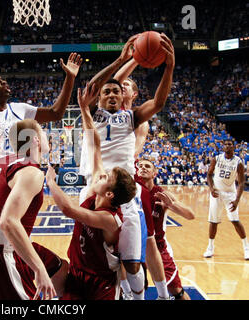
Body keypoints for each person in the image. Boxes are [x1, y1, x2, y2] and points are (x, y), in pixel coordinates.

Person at [78, 33, 175, 300]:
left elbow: (159, 103)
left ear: (123, 96)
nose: (111, 93)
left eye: (116, 91)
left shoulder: (131, 117)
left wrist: (169, 67)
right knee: (96, 261)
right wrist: (125, 59)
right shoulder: (91, 111)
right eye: (106, 91)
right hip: (94, 191)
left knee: (132, 261)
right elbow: (96, 84)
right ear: (99, 97)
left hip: (126, 191)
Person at [45, 83, 137, 300]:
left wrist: (50, 182)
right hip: (77, 273)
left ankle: (131, 295)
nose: (101, 174)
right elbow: (94, 142)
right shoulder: (97, 188)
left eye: (106, 177)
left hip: (101, 280)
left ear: (109, 194)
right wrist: (85, 109)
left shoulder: (110, 219)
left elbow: (67, 209)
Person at [0, 119, 68, 300]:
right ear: (35, 140)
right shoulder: (31, 173)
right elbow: (8, 222)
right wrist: (38, 268)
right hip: (2, 256)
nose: (47, 137)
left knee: (61, 270)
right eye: (43, 132)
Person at [0, 53, 82, 172]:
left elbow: (55, 113)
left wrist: (70, 77)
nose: (3, 82)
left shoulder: (20, 109)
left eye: (2, 79)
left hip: (22, 175)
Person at [136, 158, 195, 299]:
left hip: (158, 249)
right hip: (135, 249)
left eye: (147, 166)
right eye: (140, 166)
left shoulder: (162, 194)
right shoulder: (132, 193)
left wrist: (171, 204)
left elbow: (190, 215)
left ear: (154, 173)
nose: (143, 168)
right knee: (127, 289)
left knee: (177, 291)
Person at [204, 139, 248, 260]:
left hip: (230, 194)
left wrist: (237, 200)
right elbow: (209, 174)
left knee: (235, 220)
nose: (228, 146)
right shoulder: (216, 159)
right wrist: (211, 188)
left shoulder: (238, 162)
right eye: (225, 144)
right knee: (213, 221)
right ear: (223, 147)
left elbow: (241, 182)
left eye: (230, 144)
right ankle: (210, 247)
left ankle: (246, 247)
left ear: (234, 147)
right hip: (217, 193)